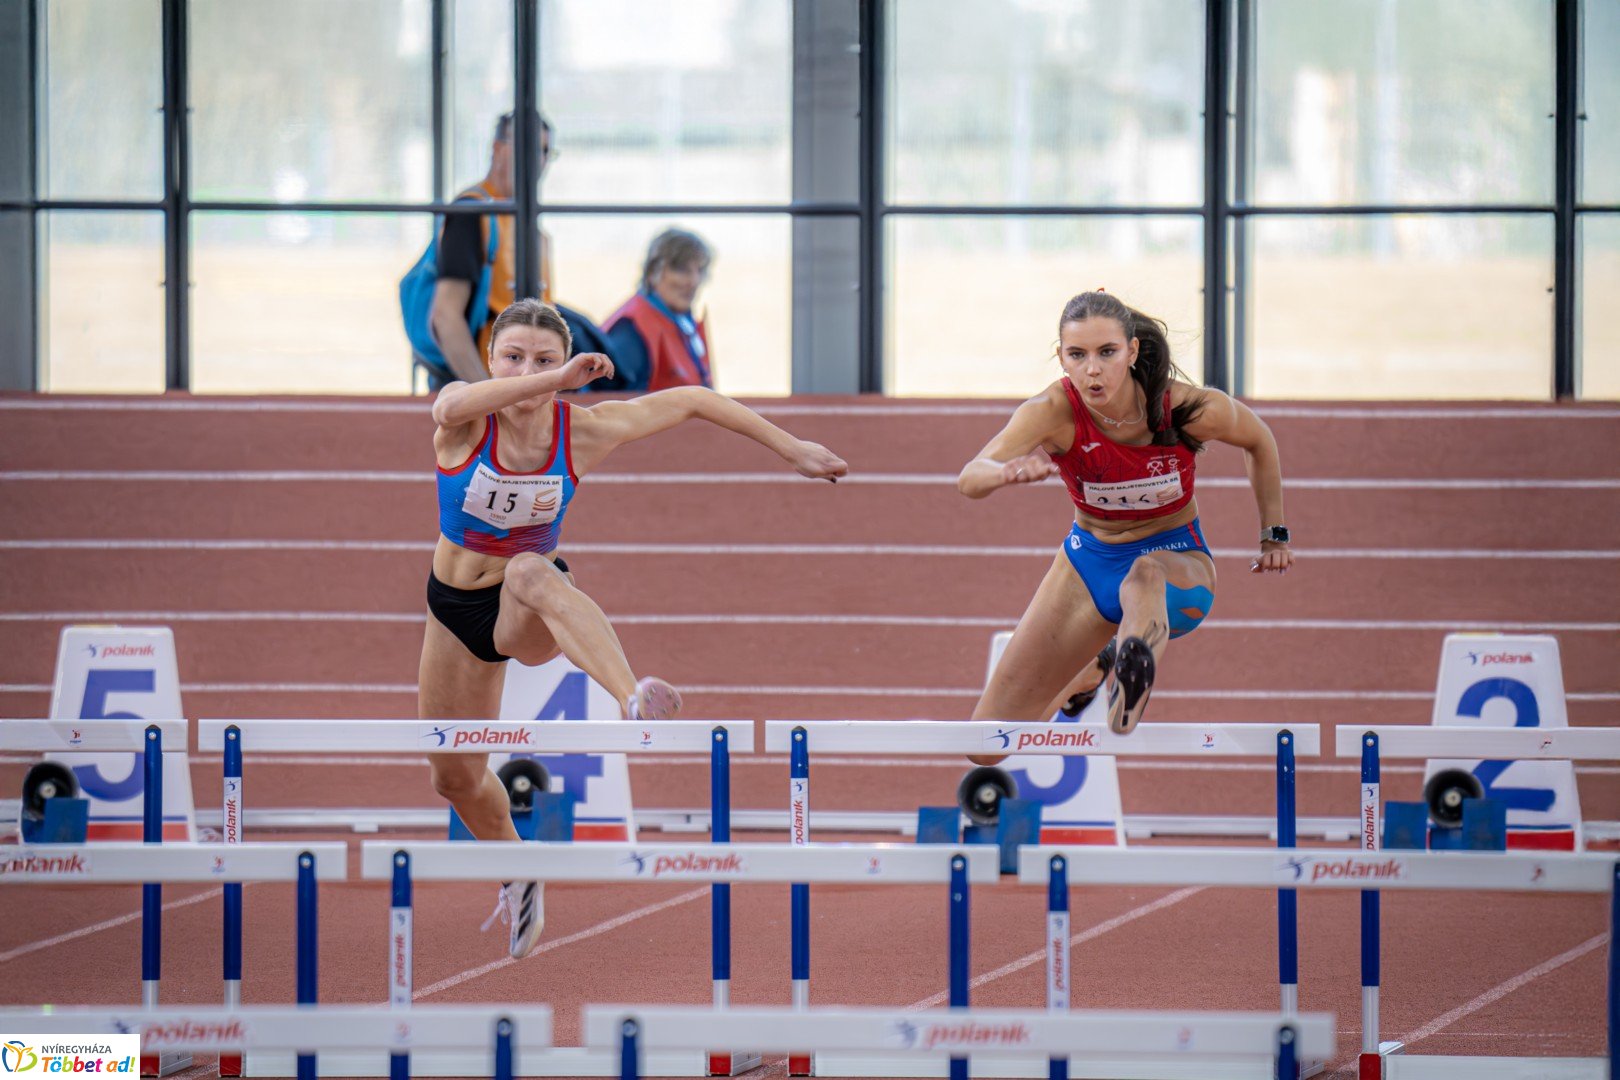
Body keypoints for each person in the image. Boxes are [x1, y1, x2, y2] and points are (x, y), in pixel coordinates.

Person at [422, 297, 848, 958]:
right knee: (453, 778)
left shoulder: (582, 432)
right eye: (513, 358)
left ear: (563, 361)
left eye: (544, 358)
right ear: (492, 360)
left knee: (530, 570)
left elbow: (695, 400)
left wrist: (791, 447)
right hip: (453, 608)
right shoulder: (464, 419)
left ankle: (630, 696)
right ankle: (518, 866)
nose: (528, 368)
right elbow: (446, 406)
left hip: (525, 607)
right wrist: (551, 381)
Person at [958, 290, 1291, 755]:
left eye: (1107, 353)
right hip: (1088, 565)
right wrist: (1003, 472)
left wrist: (1273, 535)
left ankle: (1130, 688)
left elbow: (1259, 438)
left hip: (1177, 562)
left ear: (1132, 351)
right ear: (1062, 358)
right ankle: (1097, 667)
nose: (1092, 369)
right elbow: (969, 477)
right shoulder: (1051, 411)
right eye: (1078, 355)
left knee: (1144, 574)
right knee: (986, 745)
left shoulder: (1185, 408)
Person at [428, 110, 558, 385]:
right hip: (483, 382)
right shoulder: (472, 213)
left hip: (518, 383)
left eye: (546, 151)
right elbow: (445, 315)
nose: (539, 159)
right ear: (498, 148)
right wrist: (485, 396)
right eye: (529, 148)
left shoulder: (529, 225)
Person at [601, 228, 714, 392]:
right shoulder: (630, 330)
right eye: (682, 270)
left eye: (700, 271)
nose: (694, 281)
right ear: (653, 272)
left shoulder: (682, 324)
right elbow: (612, 405)